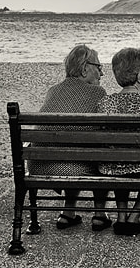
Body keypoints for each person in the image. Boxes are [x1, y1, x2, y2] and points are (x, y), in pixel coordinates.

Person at [26, 44, 112, 231]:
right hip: (72, 165)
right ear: (84, 69)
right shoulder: (97, 93)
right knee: (100, 153)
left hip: (38, 164)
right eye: (99, 67)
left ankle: (68, 212)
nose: (101, 74)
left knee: (74, 149)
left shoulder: (53, 90)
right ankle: (99, 215)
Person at [98, 47, 140, 236]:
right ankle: (134, 216)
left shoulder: (105, 103)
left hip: (110, 167)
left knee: (119, 155)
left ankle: (121, 216)